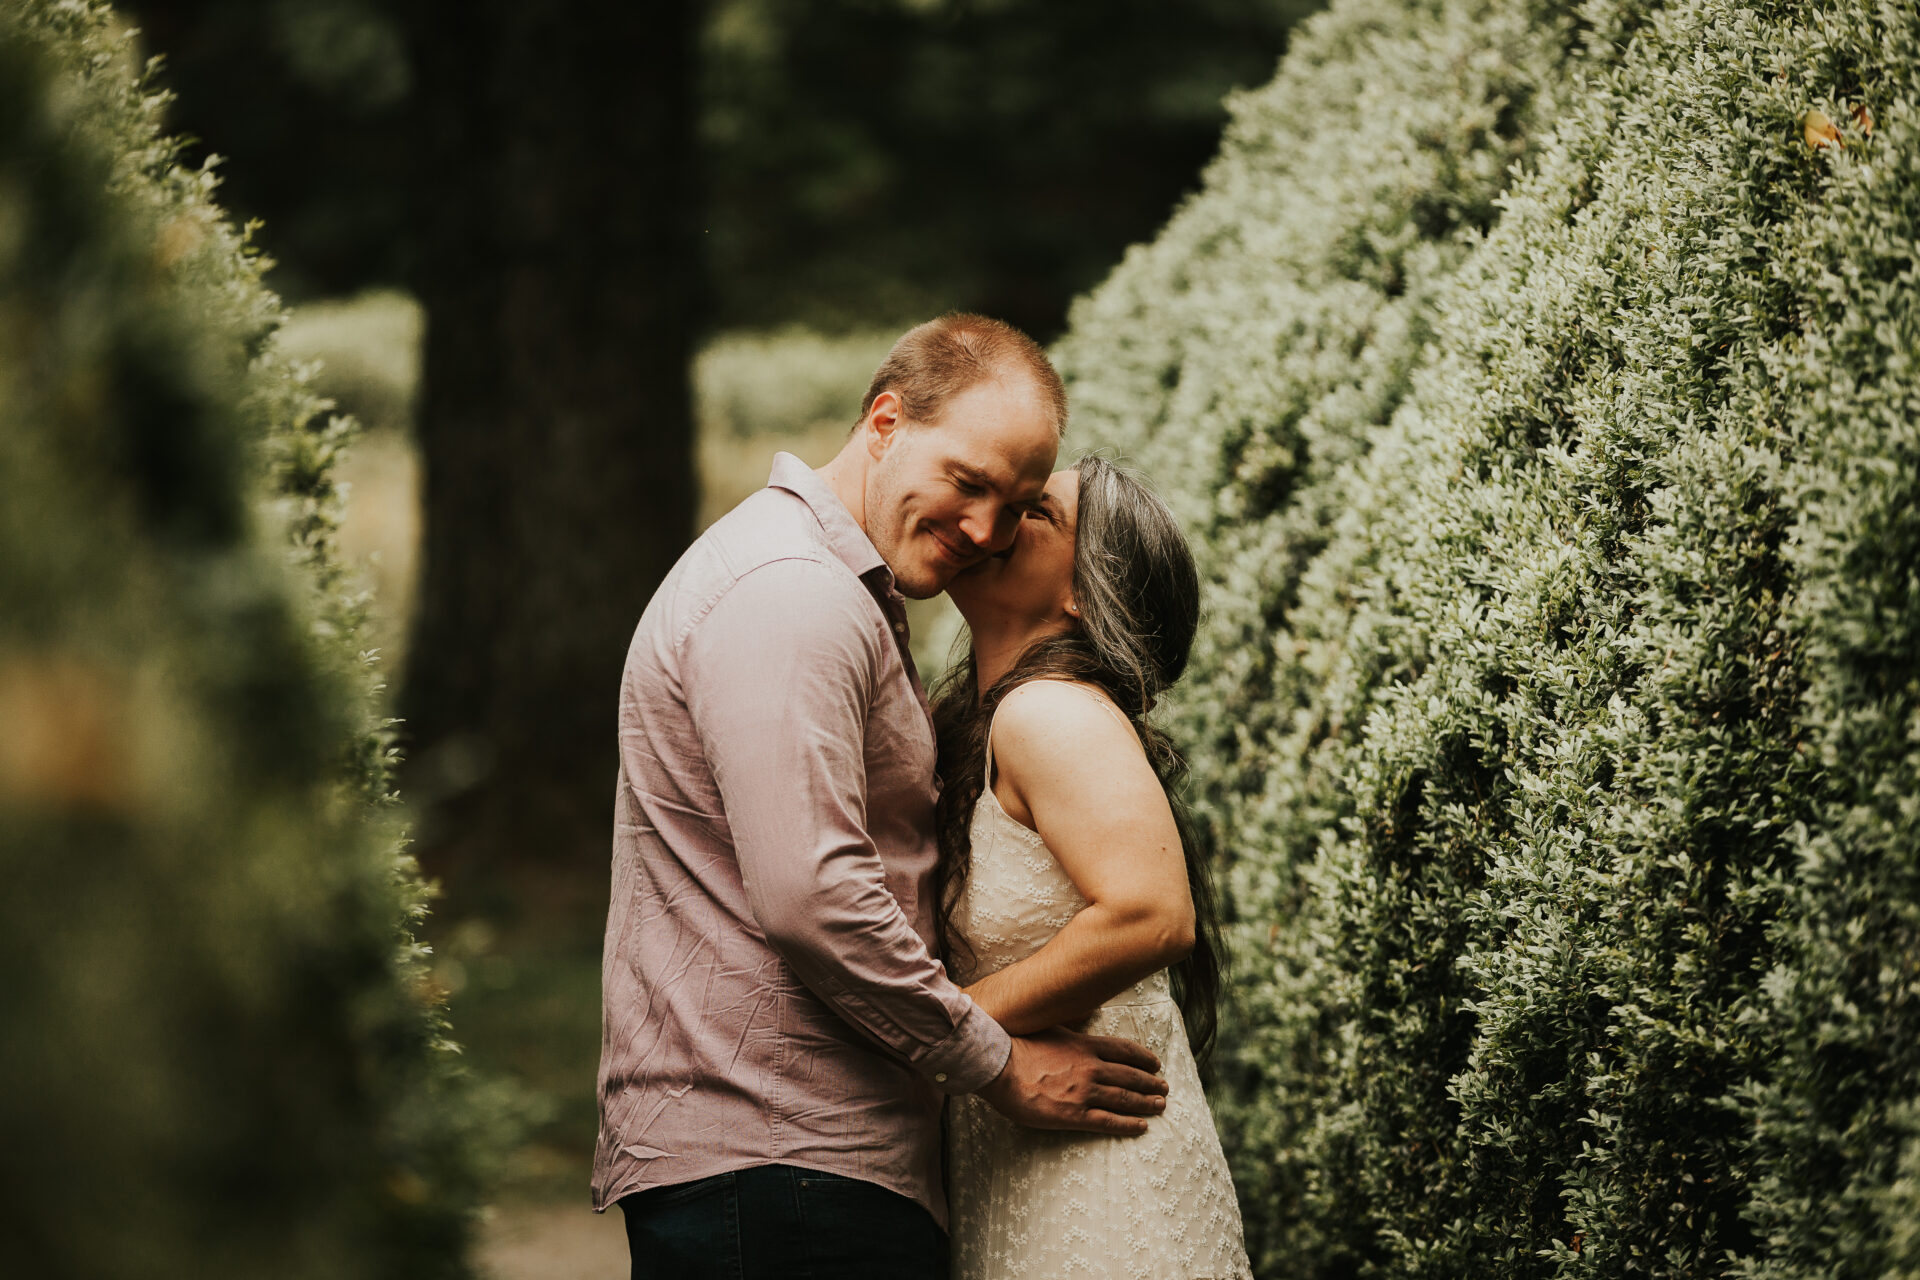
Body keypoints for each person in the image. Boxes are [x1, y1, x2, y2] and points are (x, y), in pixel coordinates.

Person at [593, 315, 1174, 1280]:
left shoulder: (841, 591)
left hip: (798, 1163)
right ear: (886, 421)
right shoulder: (796, 594)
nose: (986, 530)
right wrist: (993, 1063)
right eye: (969, 482)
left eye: (1020, 503)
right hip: (781, 1164)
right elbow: (813, 894)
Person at [934, 453, 1253, 1279]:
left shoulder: (1051, 713)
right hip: (1031, 1167)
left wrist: (940, 1035)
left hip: (1102, 1189)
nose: (992, 520)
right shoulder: (992, 718)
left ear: (1084, 591)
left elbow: (1153, 915)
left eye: (1032, 511)